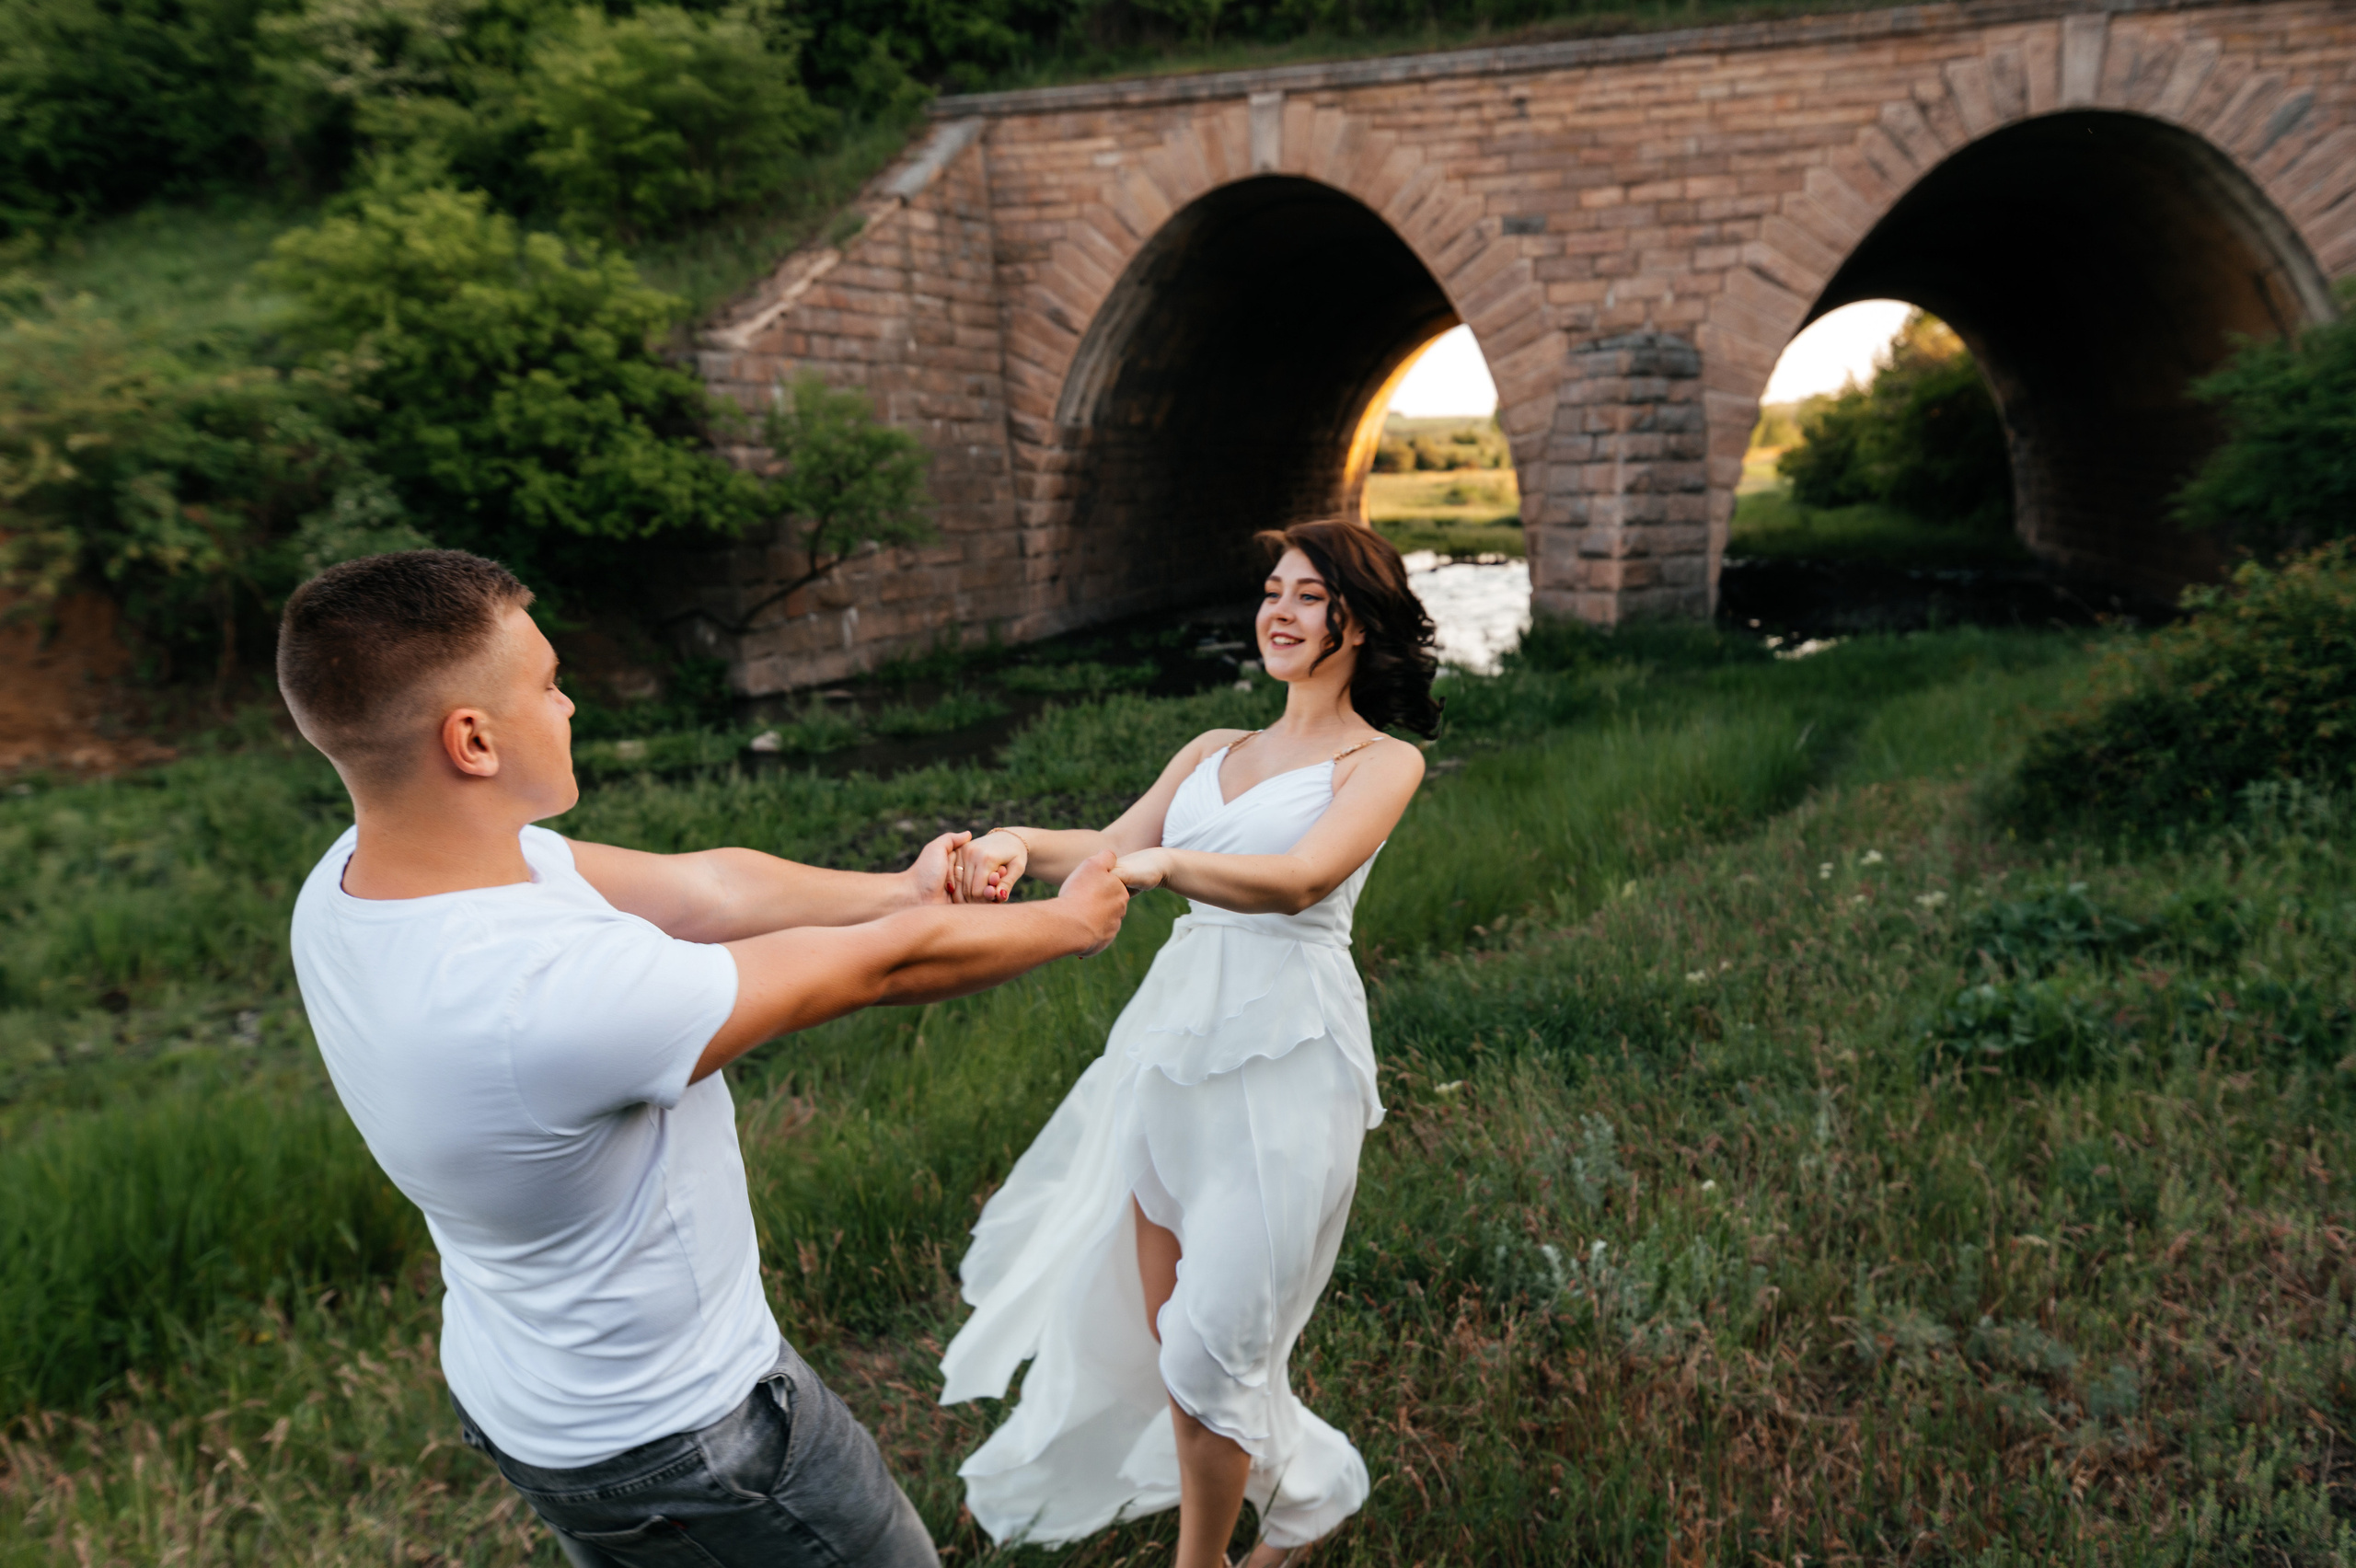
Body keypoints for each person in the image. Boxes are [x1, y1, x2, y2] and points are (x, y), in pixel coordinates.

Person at [279, 549, 1129, 1568]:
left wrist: (898, 887)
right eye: (548, 685)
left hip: (534, 1399)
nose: (571, 704)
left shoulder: (361, 880)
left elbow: (705, 891)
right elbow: (879, 974)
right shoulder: (544, 991)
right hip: (691, 1442)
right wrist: (1071, 923)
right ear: (471, 740)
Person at [937, 520, 1440, 1566]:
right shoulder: (1212, 751)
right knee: (1178, 1343)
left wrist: (1166, 865)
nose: (1280, 613)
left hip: (1292, 1051)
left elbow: (1301, 877)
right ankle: (1308, 1493)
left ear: (1359, 620)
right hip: (1171, 1049)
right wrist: (1020, 843)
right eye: (1271, 591)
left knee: (1217, 1347)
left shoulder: (1384, 761)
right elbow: (1110, 847)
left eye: (1308, 596)